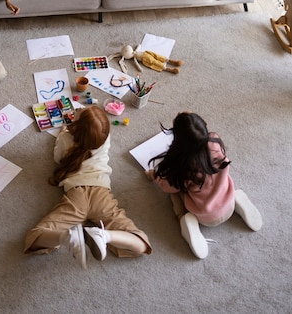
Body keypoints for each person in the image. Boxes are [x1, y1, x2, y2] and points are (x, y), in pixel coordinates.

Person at [24, 106, 152, 268]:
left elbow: (58, 158)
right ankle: (105, 236)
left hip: (76, 196)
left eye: (79, 112)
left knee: (36, 236)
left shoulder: (65, 138)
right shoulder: (105, 137)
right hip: (102, 195)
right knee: (141, 244)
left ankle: (66, 237)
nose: (79, 108)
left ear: (76, 127)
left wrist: (63, 133)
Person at [145, 112, 262, 259]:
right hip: (227, 200)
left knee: (174, 194)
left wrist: (155, 176)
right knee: (216, 173)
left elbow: (168, 187)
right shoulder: (215, 142)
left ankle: (185, 219)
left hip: (205, 217)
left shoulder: (183, 166)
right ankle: (235, 199)